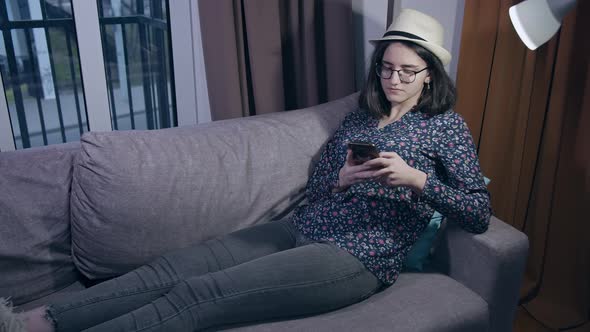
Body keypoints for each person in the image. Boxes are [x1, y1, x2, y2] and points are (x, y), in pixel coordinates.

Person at [0, 8, 491, 332]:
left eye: (407, 71)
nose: (393, 80)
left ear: (430, 75)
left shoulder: (445, 128)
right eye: (386, 68)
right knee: (175, 267)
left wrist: (418, 180)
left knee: (200, 294)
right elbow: (319, 187)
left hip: (357, 256)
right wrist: (339, 179)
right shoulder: (360, 116)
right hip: (300, 226)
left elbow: (478, 211)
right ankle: (42, 320)